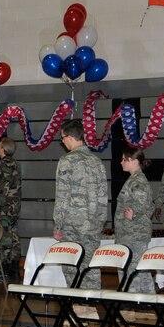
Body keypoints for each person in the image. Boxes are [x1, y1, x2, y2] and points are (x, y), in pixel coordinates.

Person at [53, 119, 108, 290]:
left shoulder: (66, 161)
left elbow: (62, 196)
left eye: (62, 138)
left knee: (71, 266)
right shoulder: (97, 162)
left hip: (72, 224)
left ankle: (77, 308)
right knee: (91, 266)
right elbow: (103, 196)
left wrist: (58, 224)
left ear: (70, 137)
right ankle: (90, 308)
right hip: (93, 223)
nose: (62, 142)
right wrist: (99, 221)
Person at [116, 147, 154, 294]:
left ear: (134, 161)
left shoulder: (138, 180)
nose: (121, 162)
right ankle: (148, 303)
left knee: (131, 269)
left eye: (124, 159)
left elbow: (142, 202)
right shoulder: (135, 179)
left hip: (133, 233)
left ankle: (132, 304)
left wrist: (135, 213)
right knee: (140, 270)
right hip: (131, 233)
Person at [0, 137, 22, 279]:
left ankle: (5, 269)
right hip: (14, 206)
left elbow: (2, 189)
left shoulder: (3, 165)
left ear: (3, 148)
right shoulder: (15, 163)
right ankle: (15, 268)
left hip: (5, 207)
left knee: (4, 238)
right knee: (14, 236)